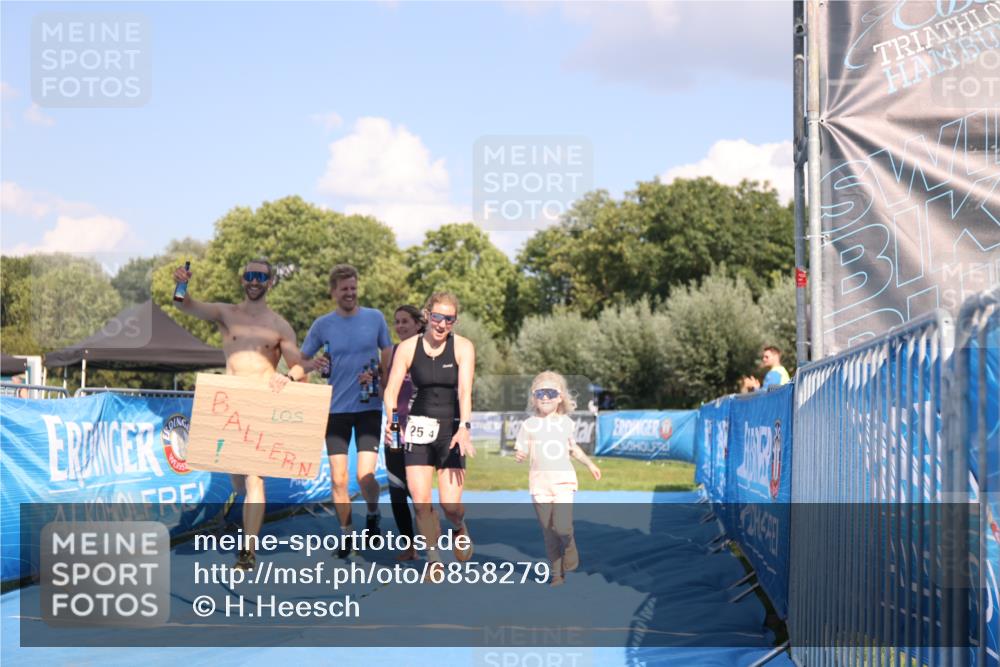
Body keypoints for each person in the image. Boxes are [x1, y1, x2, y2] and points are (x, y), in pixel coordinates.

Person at [173, 258, 319, 570]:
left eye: (261, 276)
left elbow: (299, 366)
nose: (255, 281)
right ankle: (235, 509)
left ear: (270, 282)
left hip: (262, 403)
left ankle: (247, 551)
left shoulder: (280, 325)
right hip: (228, 403)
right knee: (239, 483)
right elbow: (185, 305)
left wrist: (289, 377)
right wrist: (182, 283)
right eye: (250, 275)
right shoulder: (227, 313)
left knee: (255, 478)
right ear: (243, 280)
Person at [298, 264, 393, 557]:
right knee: (339, 479)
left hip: (368, 407)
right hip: (335, 410)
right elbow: (303, 360)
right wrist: (311, 374)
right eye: (344, 289)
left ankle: (374, 515)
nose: (350, 293)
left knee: (365, 476)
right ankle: (346, 535)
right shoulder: (322, 325)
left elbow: (388, 354)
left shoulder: (375, 318)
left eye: (353, 288)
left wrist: (382, 381)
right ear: (333, 292)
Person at [382, 291, 476, 581]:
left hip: (451, 429)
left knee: (450, 506)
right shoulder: (408, 348)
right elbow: (391, 389)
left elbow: (464, 391)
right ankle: (434, 560)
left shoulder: (463, 347)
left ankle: (459, 527)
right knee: (421, 501)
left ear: (454, 321)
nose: (441, 324)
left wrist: (465, 427)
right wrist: (392, 420)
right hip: (419, 426)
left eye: (449, 319)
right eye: (437, 317)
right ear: (428, 315)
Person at [514, 371, 601, 587]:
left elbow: (574, 449)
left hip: (563, 482)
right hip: (539, 486)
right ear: (534, 397)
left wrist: (590, 464)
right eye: (540, 393)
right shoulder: (528, 425)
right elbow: (522, 449)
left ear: (560, 397)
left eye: (551, 393)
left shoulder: (565, 423)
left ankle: (570, 545)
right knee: (548, 532)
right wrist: (521, 454)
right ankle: (556, 573)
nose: (545, 397)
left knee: (562, 527)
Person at [386, 304, 424, 561]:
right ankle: (409, 545)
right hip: (396, 429)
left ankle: (430, 542)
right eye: (396, 322)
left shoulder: (429, 351)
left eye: (405, 322)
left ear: (418, 324)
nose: (399, 326)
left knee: (417, 491)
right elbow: (387, 393)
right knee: (397, 489)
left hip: (422, 431)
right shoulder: (394, 352)